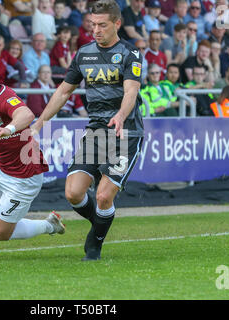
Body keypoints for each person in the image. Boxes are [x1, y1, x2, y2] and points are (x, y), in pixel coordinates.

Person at [30, 0, 144, 261]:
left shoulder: (130, 53)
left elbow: (131, 91)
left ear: (117, 24)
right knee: (73, 193)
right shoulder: (83, 53)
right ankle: (100, 223)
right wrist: (39, 123)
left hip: (125, 133)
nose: (96, 30)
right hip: (96, 132)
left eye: (102, 25)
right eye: (93, 24)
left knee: (104, 195)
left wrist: (120, 115)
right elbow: (64, 91)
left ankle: (94, 245)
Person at [0, 53, 65, 259]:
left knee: (1, 233)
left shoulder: (4, 97)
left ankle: (49, 225)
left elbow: (26, 114)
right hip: (1, 166)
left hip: (24, 175)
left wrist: (9, 128)